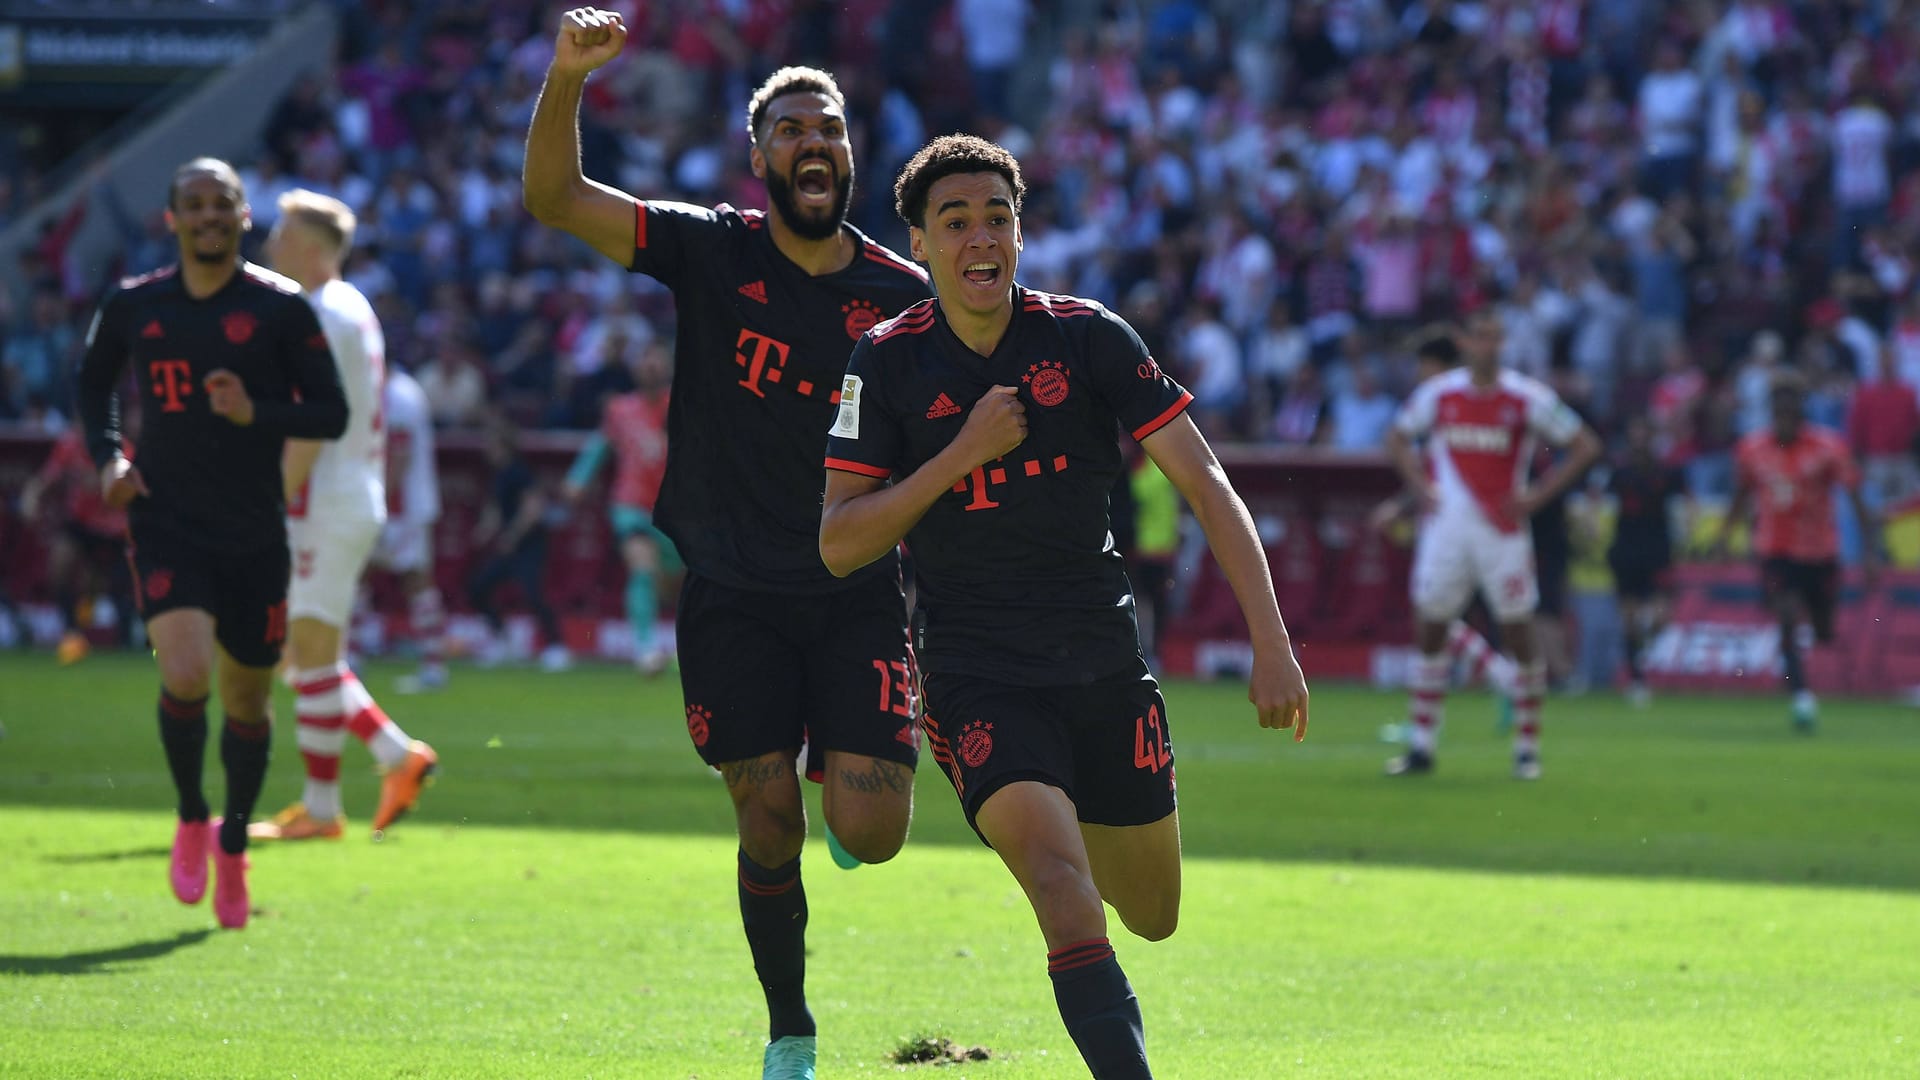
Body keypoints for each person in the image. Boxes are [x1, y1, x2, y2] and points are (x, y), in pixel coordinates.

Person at [819, 134, 1310, 1080]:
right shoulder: (880, 364)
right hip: (977, 674)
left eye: (997, 218)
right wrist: (961, 455)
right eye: (954, 222)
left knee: (1152, 915)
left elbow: (1206, 483)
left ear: (1019, 231)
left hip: (1102, 664)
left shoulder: (1086, 337)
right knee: (1059, 886)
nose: (979, 238)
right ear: (917, 245)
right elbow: (841, 540)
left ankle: (1061, 803)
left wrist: (1272, 643)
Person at [522, 13, 933, 1073]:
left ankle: (847, 796)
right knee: (764, 821)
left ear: (851, 153)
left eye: (829, 130)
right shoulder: (711, 249)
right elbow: (556, 199)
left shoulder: (902, 300)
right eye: (790, 129)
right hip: (731, 588)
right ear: (760, 160)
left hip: (856, 589)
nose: (812, 144)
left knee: (874, 833)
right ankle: (788, 1027)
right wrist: (568, 78)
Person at [73, 157, 348, 929]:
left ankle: (234, 840)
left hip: (254, 529)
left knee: (247, 699)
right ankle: (192, 816)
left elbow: (330, 414)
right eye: (192, 204)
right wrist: (109, 457)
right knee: (187, 672)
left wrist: (253, 412)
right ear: (172, 219)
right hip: (165, 518)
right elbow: (92, 383)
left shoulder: (282, 309)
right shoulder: (135, 304)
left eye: (220, 203)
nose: (207, 216)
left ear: (241, 215)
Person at [246, 188, 438, 843]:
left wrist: (267, 504)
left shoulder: (320, 313)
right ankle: (394, 756)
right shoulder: (350, 305)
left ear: (311, 246)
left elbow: (310, 429)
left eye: (281, 232)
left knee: (307, 653)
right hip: (345, 495)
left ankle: (323, 808)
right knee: (299, 655)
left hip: (323, 501)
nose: (270, 243)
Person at [1383, 308, 1601, 780]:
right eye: (1481, 337)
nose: (1489, 346)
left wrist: (1538, 496)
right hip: (1448, 528)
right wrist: (1419, 486)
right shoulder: (1440, 394)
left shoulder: (1526, 397)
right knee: (1431, 627)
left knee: (1519, 632)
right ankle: (1421, 745)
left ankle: (1527, 749)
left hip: (1502, 532)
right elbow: (1398, 437)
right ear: (1465, 342)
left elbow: (1585, 444)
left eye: (1496, 338)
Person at [1711, 372, 1879, 730]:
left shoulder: (1828, 447)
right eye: (1779, 400)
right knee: (1786, 616)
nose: (1785, 407)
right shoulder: (1752, 449)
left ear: (1802, 405)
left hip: (1820, 552)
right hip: (1775, 551)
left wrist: (1869, 551)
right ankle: (1801, 696)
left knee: (1823, 630)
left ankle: (1802, 669)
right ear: (1771, 406)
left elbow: (1855, 496)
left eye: (1792, 400)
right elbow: (1741, 496)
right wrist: (1725, 536)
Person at [562, 343, 681, 674]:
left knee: (674, 584)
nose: (651, 366)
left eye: (656, 359)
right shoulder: (620, 409)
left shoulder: (684, 404)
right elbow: (601, 444)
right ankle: (645, 650)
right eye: (645, 360)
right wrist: (578, 477)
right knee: (641, 563)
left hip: (675, 509)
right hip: (631, 505)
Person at [19, 425, 133, 664]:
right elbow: (48, 478)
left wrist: (107, 484)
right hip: (80, 522)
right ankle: (71, 632)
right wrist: (32, 496)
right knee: (59, 566)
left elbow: (130, 489)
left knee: (100, 585)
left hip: (113, 528)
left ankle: (124, 635)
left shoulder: (122, 447)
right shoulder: (69, 445)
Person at [466, 415, 570, 671]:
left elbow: (532, 507)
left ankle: (557, 647)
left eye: (491, 443)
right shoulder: (498, 475)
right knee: (478, 587)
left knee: (533, 593)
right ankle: (502, 640)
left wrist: (512, 535)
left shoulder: (520, 471)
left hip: (528, 544)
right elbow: (494, 508)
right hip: (507, 545)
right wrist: (484, 531)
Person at [370, 360, 449, 694]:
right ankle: (353, 659)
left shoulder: (399, 396)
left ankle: (433, 665)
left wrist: (380, 501)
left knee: (416, 579)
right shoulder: (399, 390)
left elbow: (399, 455)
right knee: (363, 572)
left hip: (405, 506)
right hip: (405, 504)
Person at [1606, 415, 1689, 705]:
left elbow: (1685, 504)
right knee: (1629, 621)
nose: (1639, 439)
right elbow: (1601, 503)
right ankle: (1637, 680)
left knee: (1660, 618)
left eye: (1644, 433)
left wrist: (1687, 532)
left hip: (1658, 551)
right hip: (1626, 551)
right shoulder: (1619, 472)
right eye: (1634, 433)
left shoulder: (1668, 472)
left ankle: (1643, 648)